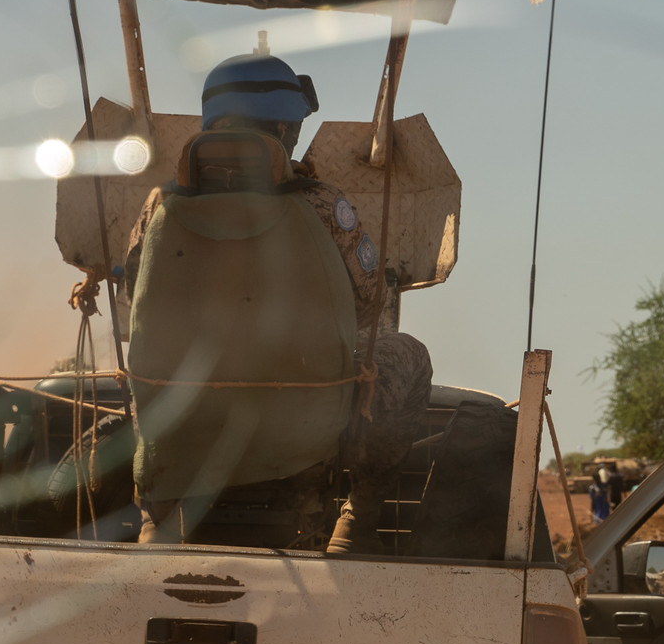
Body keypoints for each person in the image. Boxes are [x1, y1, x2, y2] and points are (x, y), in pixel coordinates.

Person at [122, 43, 432, 553]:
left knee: (148, 369)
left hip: (180, 438)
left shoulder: (159, 206)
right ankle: (358, 521)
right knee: (407, 354)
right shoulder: (324, 204)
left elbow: (137, 298)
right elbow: (369, 306)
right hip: (301, 445)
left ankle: (154, 514)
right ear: (286, 130)